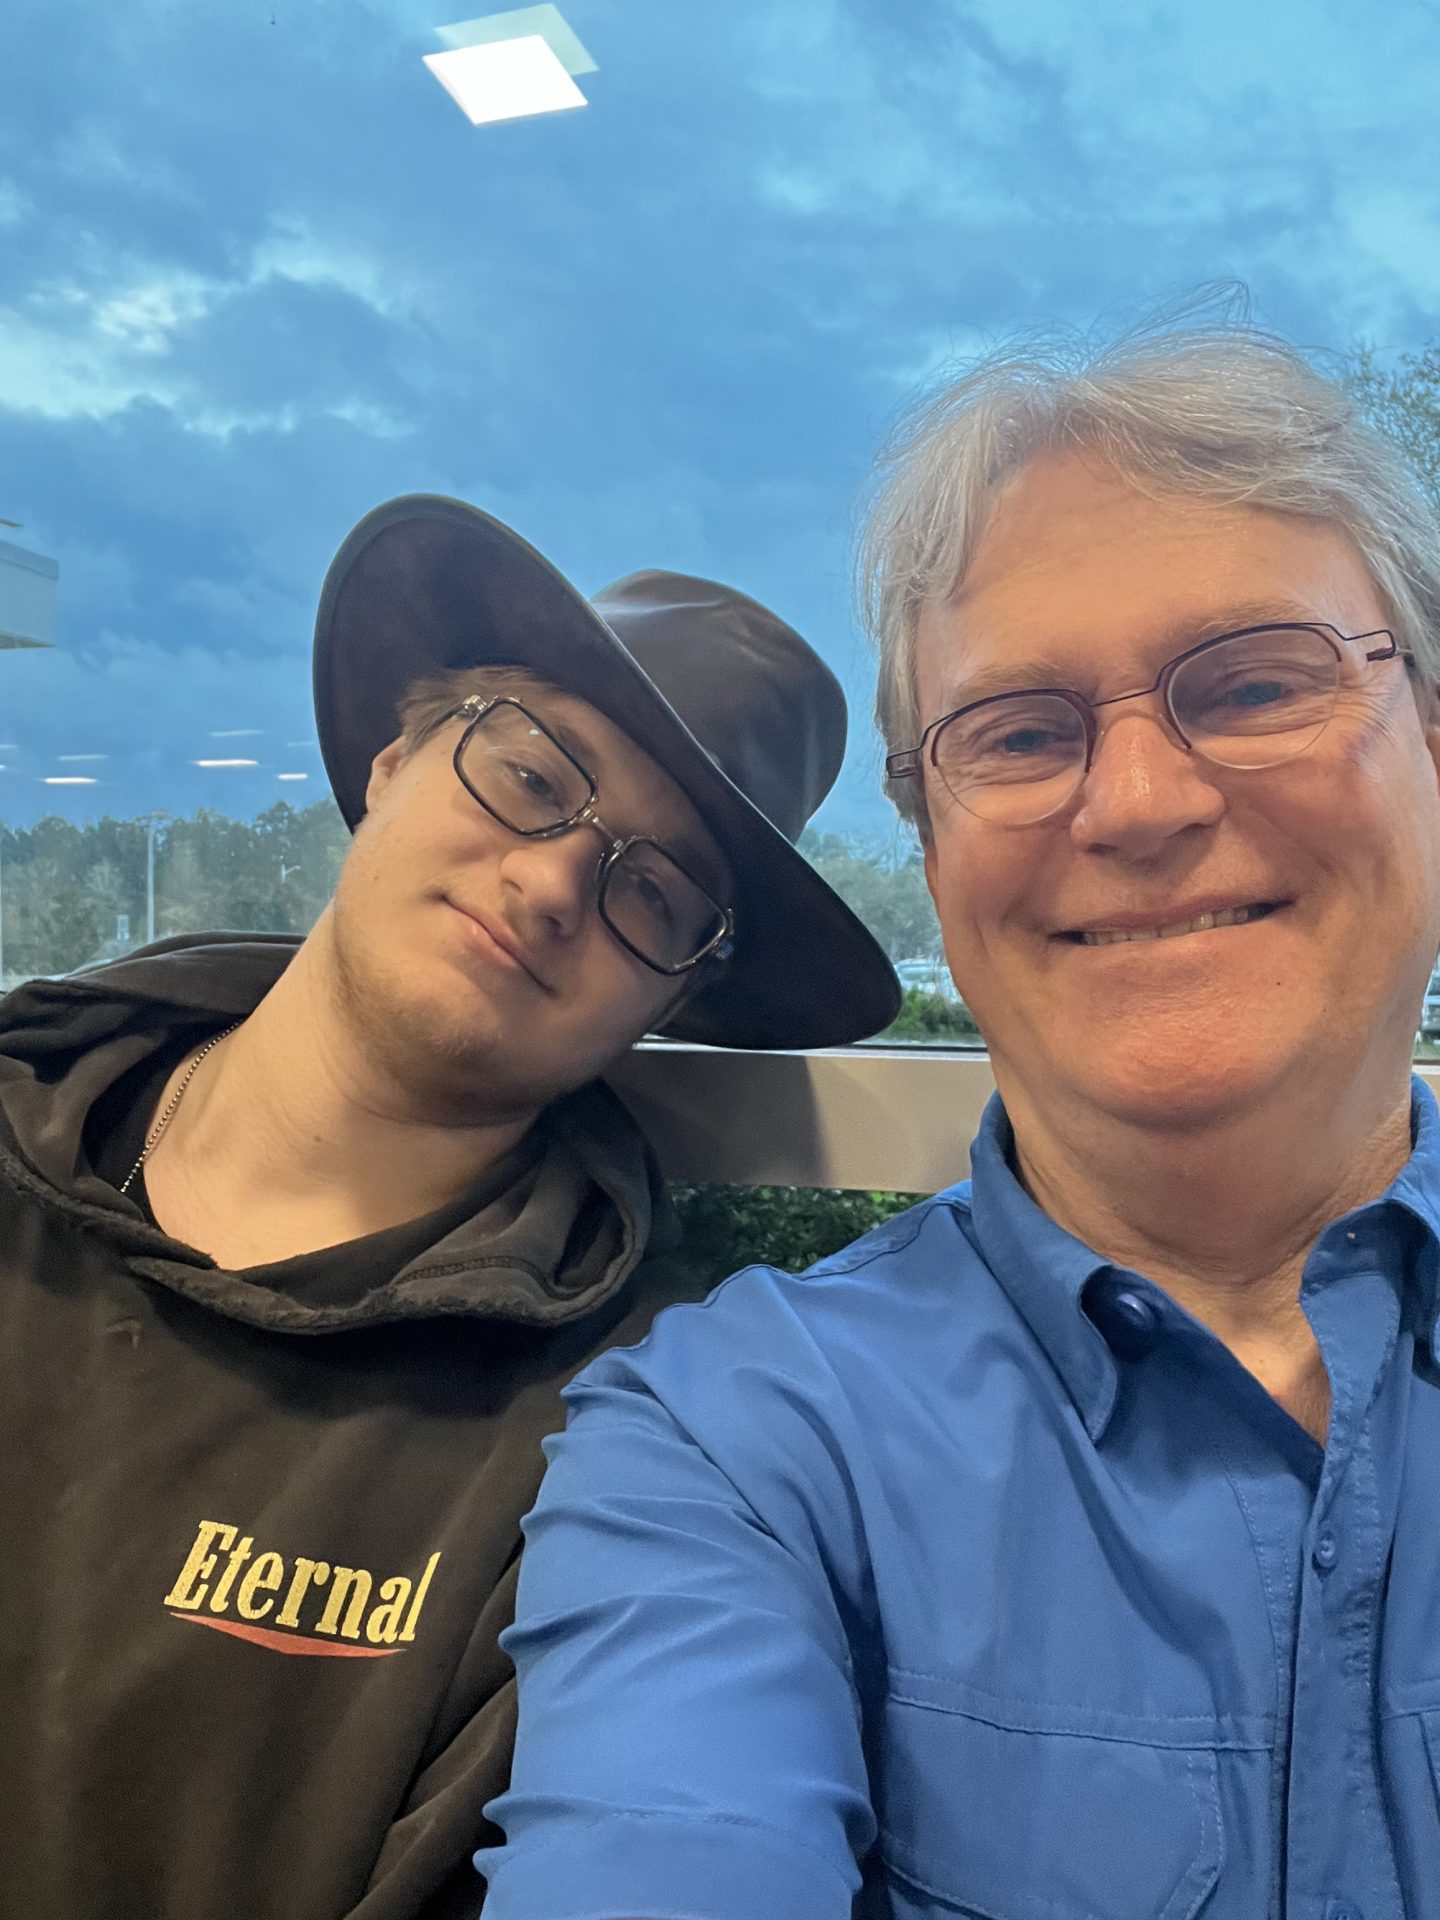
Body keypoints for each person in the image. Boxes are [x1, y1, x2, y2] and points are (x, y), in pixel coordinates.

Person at [478, 322, 1440, 1920]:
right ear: (932, 857)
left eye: (1259, 681)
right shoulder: (737, 1446)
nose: (1136, 802)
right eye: (1017, 732)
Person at [0, 492, 898, 1919]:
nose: (552, 884)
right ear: (395, 757)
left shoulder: (621, 1449)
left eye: (652, 893)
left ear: (676, 996)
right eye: (537, 778)